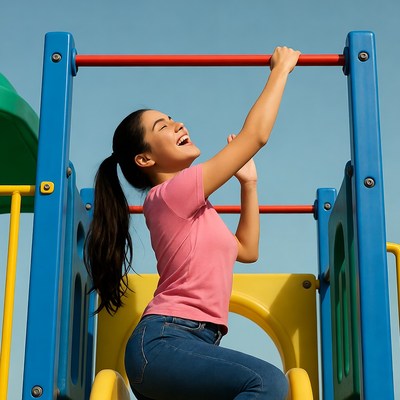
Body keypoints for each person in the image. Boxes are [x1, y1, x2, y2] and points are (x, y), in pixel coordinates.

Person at [84, 46, 300, 400]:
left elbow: (246, 250)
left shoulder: (196, 208)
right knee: (267, 382)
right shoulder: (170, 194)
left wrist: (249, 185)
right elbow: (255, 137)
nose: (177, 123)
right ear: (145, 158)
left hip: (191, 343)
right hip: (165, 341)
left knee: (264, 383)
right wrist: (280, 71)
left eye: (172, 118)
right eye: (163, 126)